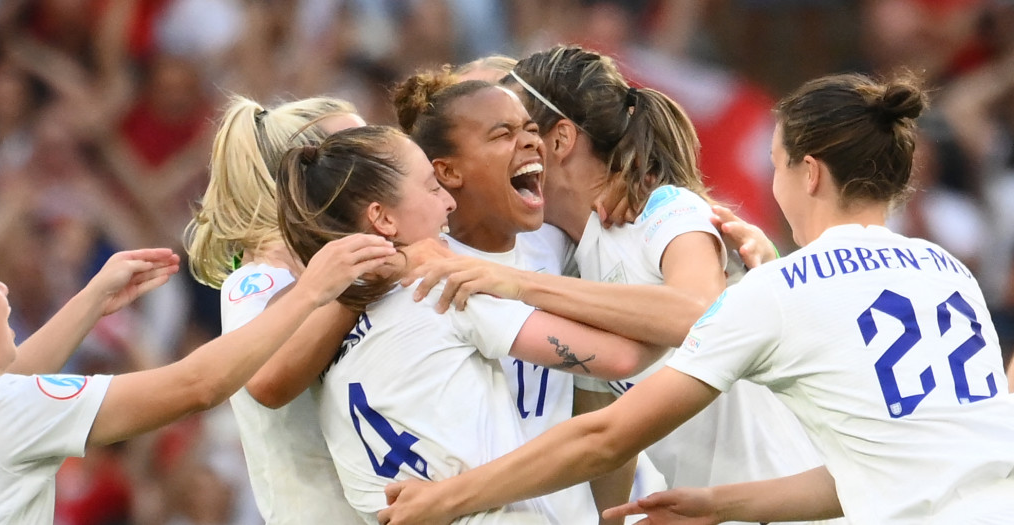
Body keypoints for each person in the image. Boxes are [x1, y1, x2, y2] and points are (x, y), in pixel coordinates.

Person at [378, 73, 1014, 525]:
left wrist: (450, 497)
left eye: (775, 163)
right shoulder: (948, 270)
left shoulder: (765, 279)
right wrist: (718, 505)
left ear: (809, 172)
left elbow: (605, 435)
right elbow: (887, 464)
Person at [404, 46, 825, 516]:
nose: (517, 144)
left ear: (560, 139)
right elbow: (607, 433)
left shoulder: (665, 208)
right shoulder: (576, 254)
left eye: (523, 127)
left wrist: (516, 283)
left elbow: (698, 313)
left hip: (789, 509)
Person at [0, 229, 394, 524]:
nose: (4, 290)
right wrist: (310, 292)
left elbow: (0, 389)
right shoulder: (0, 413)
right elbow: (195, 386)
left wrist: (93, 299)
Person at [274, 125, 667, 523]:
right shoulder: (441, 290)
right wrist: (681, 306)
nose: (448, 202)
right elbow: (622, 359)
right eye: (431, 188)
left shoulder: (327, 338)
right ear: (382, 219)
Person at [184, 94, 370, 523]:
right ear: (302, 174)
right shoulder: (256, 283)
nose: (375, 164)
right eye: (352, 155)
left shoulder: (327, 270)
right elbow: (263, 381)